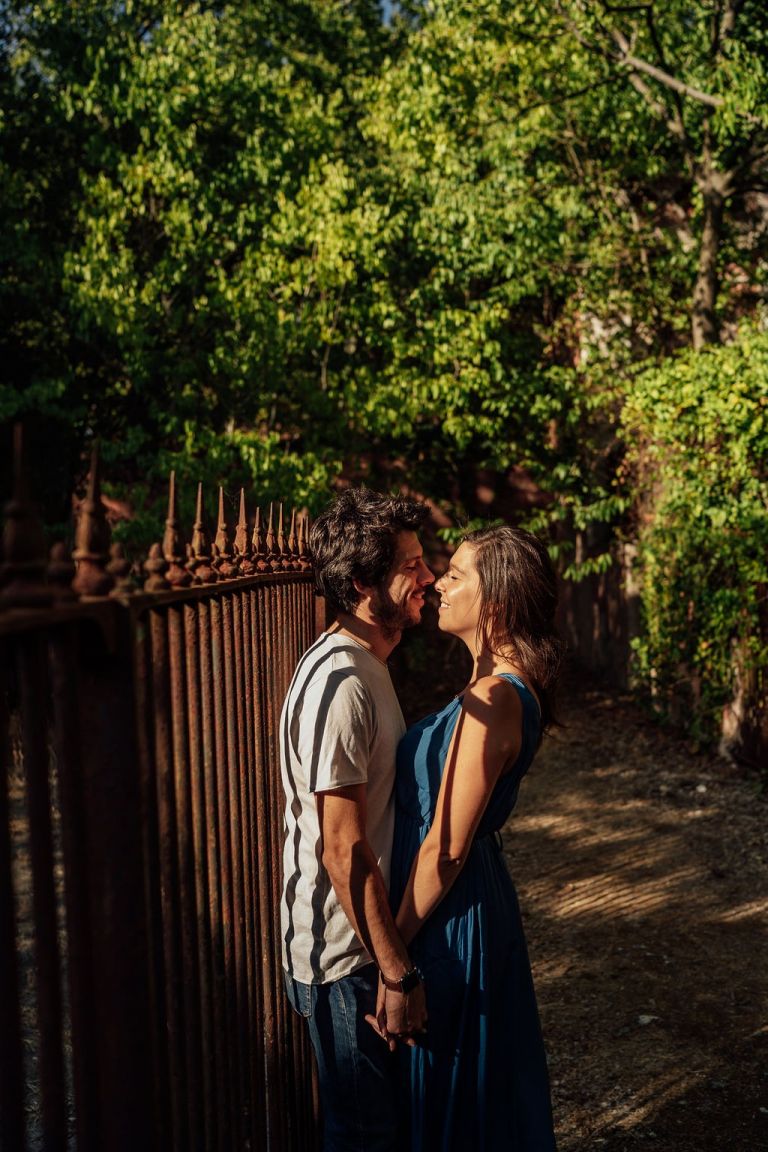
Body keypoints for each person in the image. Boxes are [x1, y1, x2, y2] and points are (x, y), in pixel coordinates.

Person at [379, 523, 563, 1151]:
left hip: (448, 915)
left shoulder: (497, 698)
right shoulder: (491, 688)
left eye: (456, 575)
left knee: (452, 1098)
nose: (438, 584)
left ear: (499, 603)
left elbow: (446, 847)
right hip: (459, 901)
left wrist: (391, 959)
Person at [279, 487, 435, 1152]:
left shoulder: (364, 663)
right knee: (366, 1136)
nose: (429, 575)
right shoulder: (341, 682)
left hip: (358, 949)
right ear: (363, 584)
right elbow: (342, 848)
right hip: (346, 961)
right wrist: (395, 972)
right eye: (412, 567)